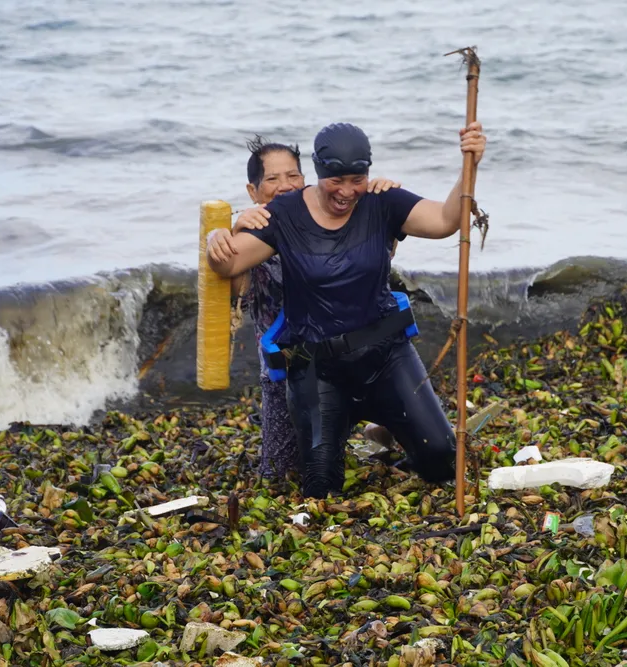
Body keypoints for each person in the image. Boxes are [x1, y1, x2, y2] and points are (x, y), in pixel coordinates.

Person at [207, 120, 487, 498]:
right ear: (319, 173)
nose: (346, 191)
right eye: (336, 180)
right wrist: (217, 235)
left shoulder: (381, 200)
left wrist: (469, 165)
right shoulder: (285, 214)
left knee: (441, 461)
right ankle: (369, 432)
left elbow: (445, 221)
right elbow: (228, 266)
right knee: (321, 488)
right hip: (318, 370)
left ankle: (385, 430)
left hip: (386, 357)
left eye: (357, 179)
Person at [230, 136, 401, 480]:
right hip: (290, 369)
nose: (284, 186)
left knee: (417, 438)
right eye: (272, 179)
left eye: (292, 176)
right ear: (253, 190)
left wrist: (386, 201)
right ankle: (340, 434)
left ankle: (376, 427)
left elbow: (382, 256)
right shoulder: (251, 228)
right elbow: (235, 292)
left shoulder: (326, 211)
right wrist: (225, 234)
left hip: (355, 352)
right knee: (280, 476)